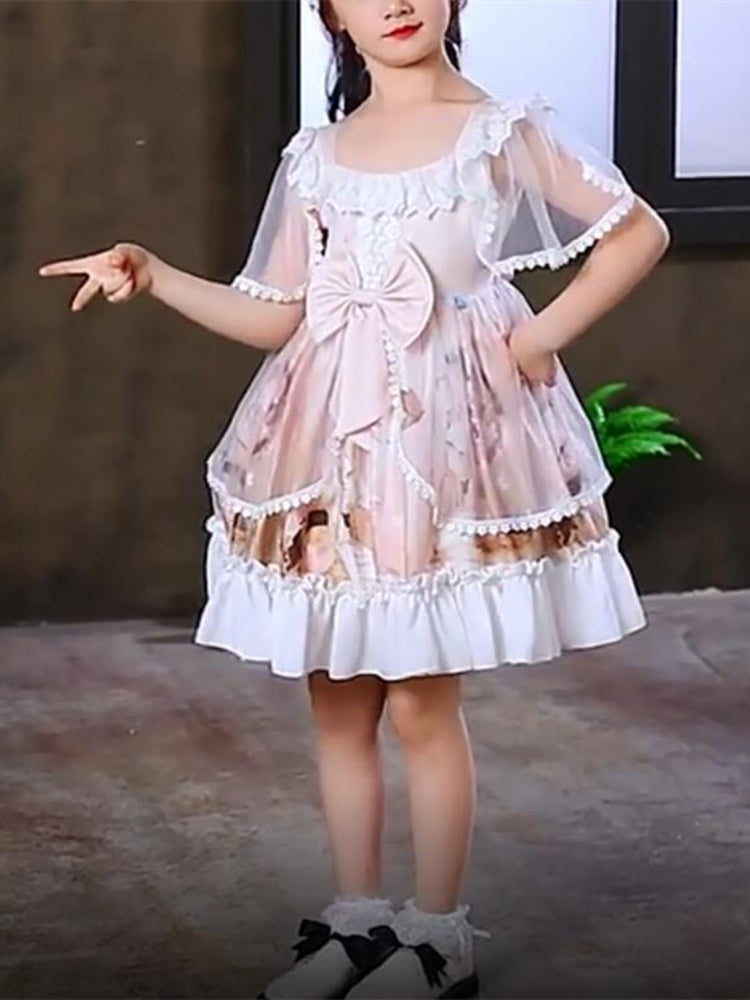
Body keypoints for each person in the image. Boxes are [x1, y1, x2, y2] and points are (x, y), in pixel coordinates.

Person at [37, 0, 671, 996]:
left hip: (441, 449)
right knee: (337, 695)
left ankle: (439, 938)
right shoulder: (316, 156)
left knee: (420, 699)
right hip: (333, 448)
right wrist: (155, 275)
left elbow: (636, 233)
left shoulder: (500, 131)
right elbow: (275, 318)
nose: (397, 3)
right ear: (333, 16)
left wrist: (535, 339)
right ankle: (357, 921)